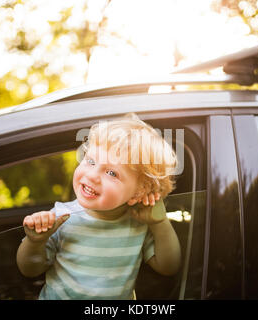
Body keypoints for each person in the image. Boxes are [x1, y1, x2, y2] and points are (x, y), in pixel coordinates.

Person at [16, 113, 181, 299]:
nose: (93, 175)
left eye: (111, 172)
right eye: (90, 161)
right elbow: (29, 270)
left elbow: (168, 267)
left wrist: (160, 224)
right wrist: (34, 242)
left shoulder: (138, 222)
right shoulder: (62, 217)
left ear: (139, 192)